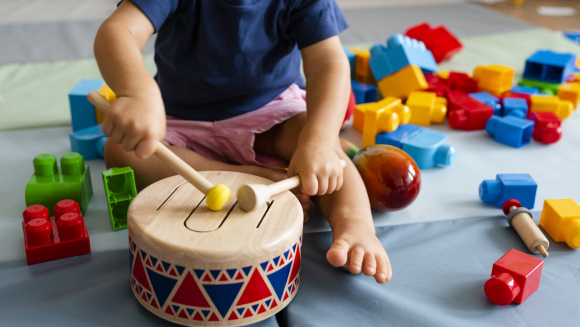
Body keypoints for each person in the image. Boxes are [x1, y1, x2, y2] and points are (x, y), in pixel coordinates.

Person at [94, 0, 392, 283]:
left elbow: (327, 63)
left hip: (270, 111)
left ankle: (354, 222)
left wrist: (321, 140)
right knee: (121, 150)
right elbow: (119, 30)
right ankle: (251, 175)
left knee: (322, 145)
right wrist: (137, 92)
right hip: (178, 118)